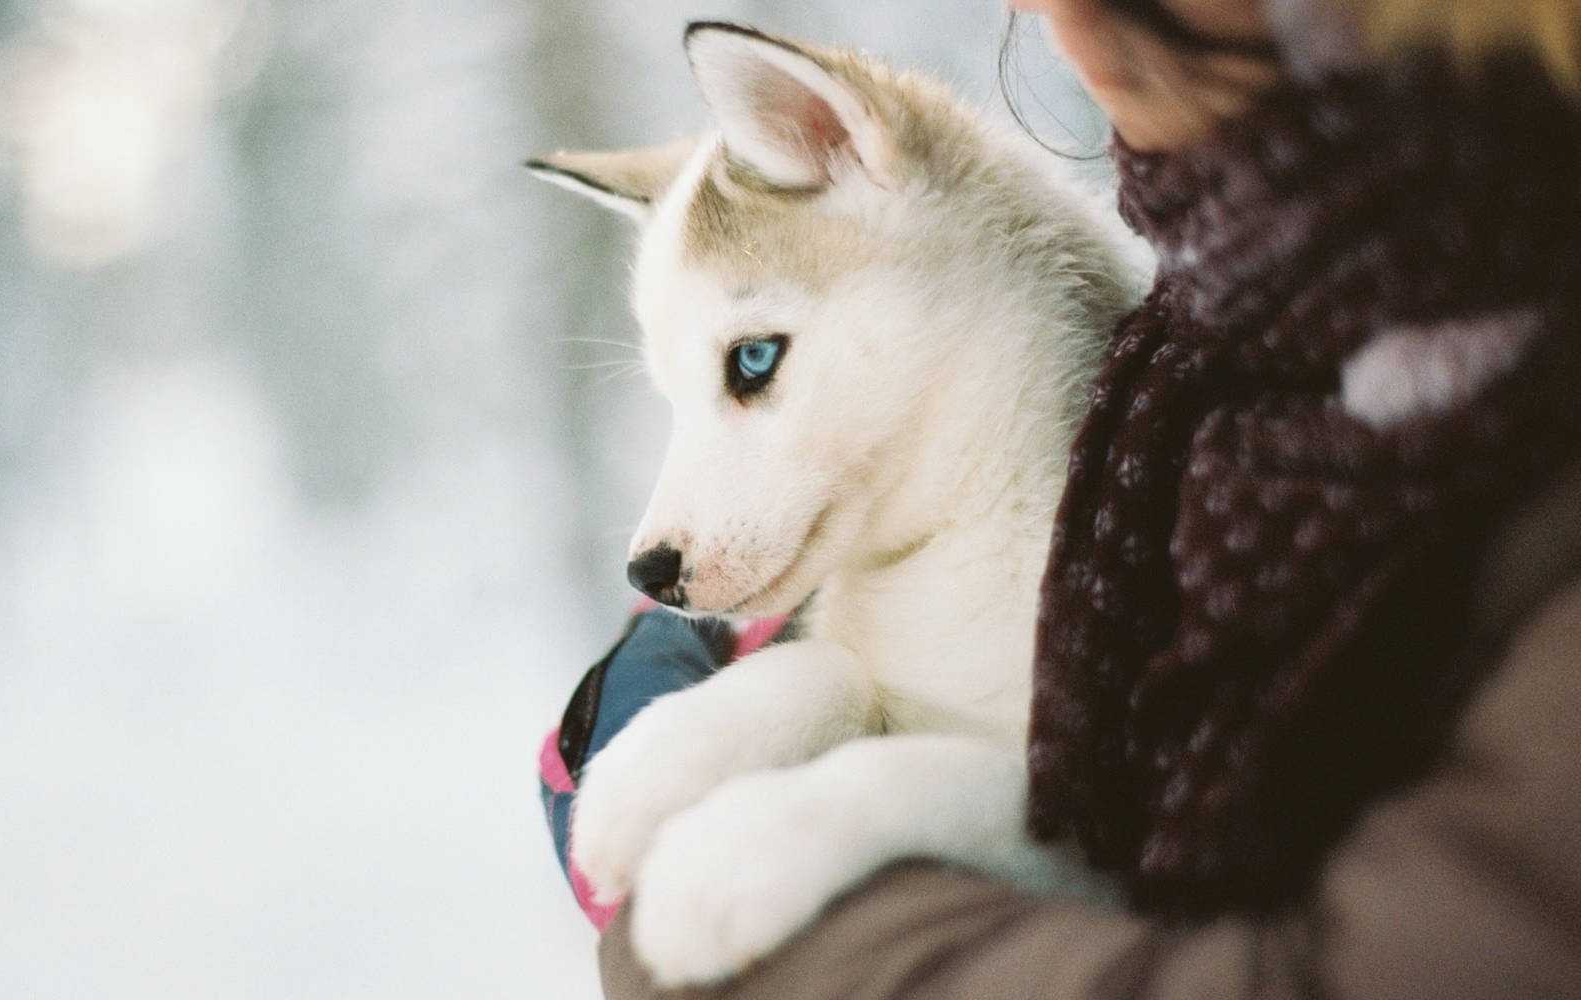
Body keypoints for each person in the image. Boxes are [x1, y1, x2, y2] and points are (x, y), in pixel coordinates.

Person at [565, 0, 1581, 996]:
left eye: (753, 363)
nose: (1066, 22)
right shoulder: (1200, 365)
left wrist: (815, 848)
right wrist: (785, 699)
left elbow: (1125, 847)